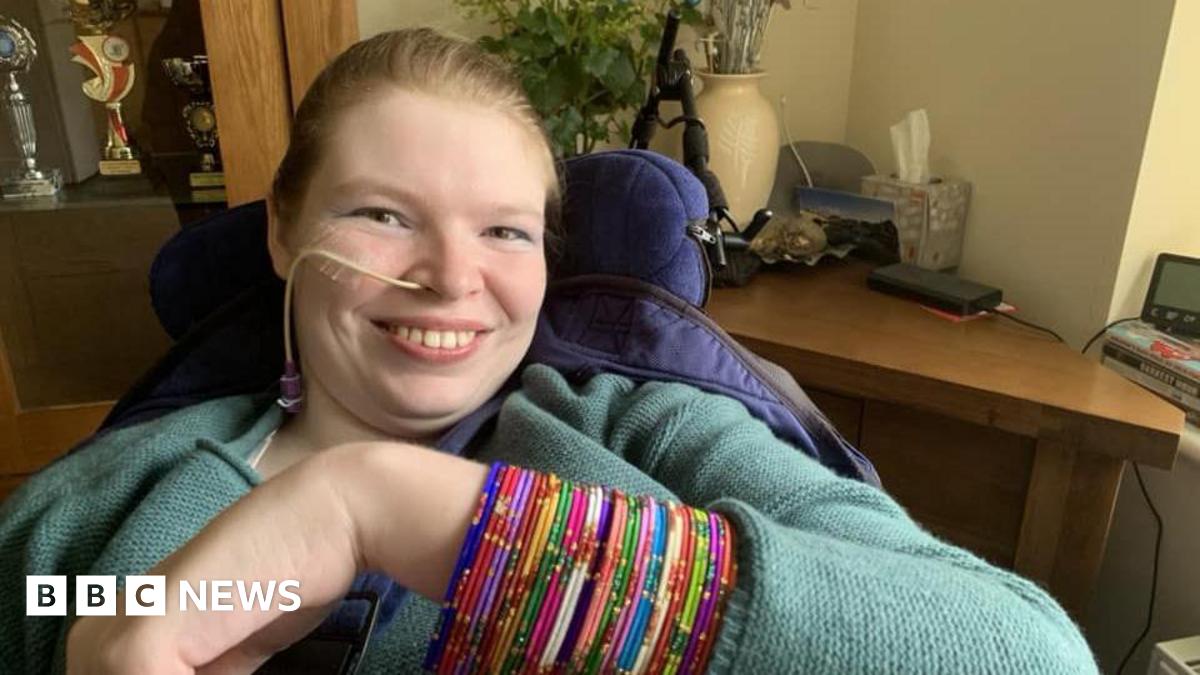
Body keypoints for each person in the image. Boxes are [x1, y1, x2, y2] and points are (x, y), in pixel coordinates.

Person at [0, 28, 1098, 674]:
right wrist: (113, 608)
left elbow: (1027, 654)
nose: (449, 275)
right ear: (282, 232)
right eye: (382, 214)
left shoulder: (651, 432)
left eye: (505, 230)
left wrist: (386, 510)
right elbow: (46, 603)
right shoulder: (114, 493)